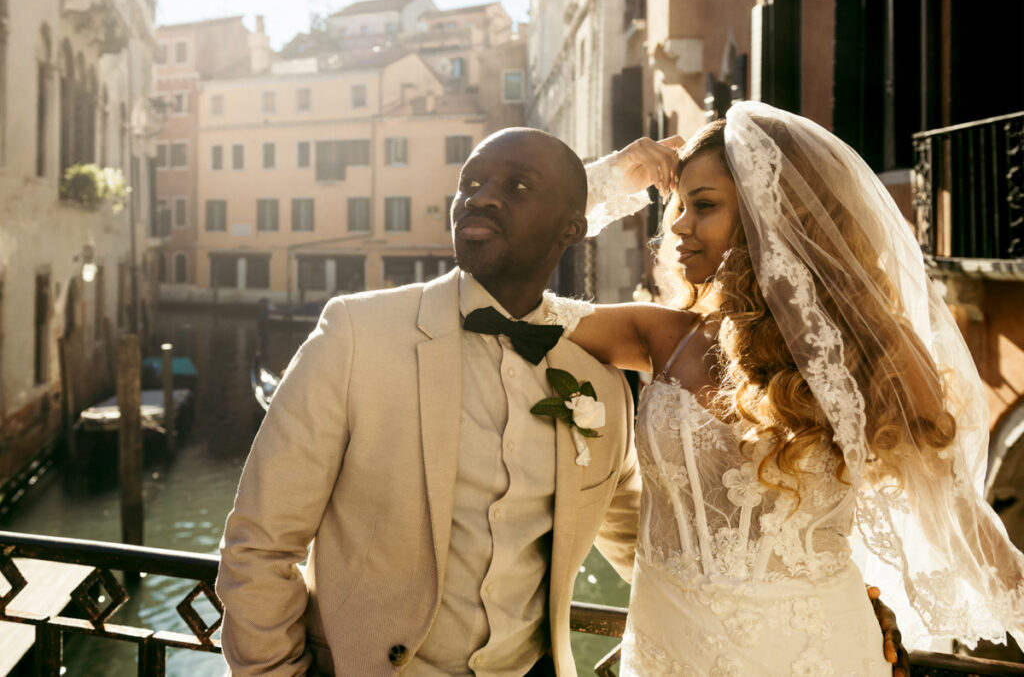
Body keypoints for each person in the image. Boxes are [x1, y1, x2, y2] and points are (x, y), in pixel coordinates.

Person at [549, 101, 1024, 675]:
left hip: (821, 654)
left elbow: (961, 520)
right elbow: (508, 309)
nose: (676, 225)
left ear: (767, 216)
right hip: (666, 653)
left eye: (703, 207)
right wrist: (605, 183)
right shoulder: (661, 334)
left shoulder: (873, 355)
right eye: (678, 205)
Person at [216, 127, 643, 676]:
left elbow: (647, 553)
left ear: (573, 227)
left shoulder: (601, 384)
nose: (481, 196)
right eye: (470, 182)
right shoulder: (355, 333)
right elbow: (259, 547)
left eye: (516, 185)